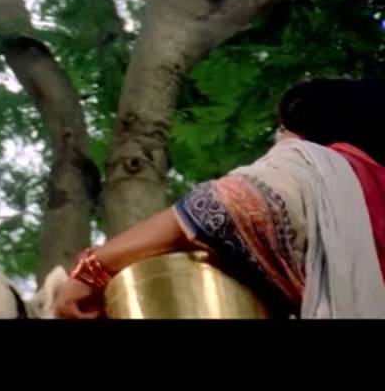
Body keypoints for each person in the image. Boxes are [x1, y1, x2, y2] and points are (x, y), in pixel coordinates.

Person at [54, 78, 385, 319]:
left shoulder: (315, 164)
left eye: (282, 131)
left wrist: (93, 269)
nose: (277, 144)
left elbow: (225, 206)